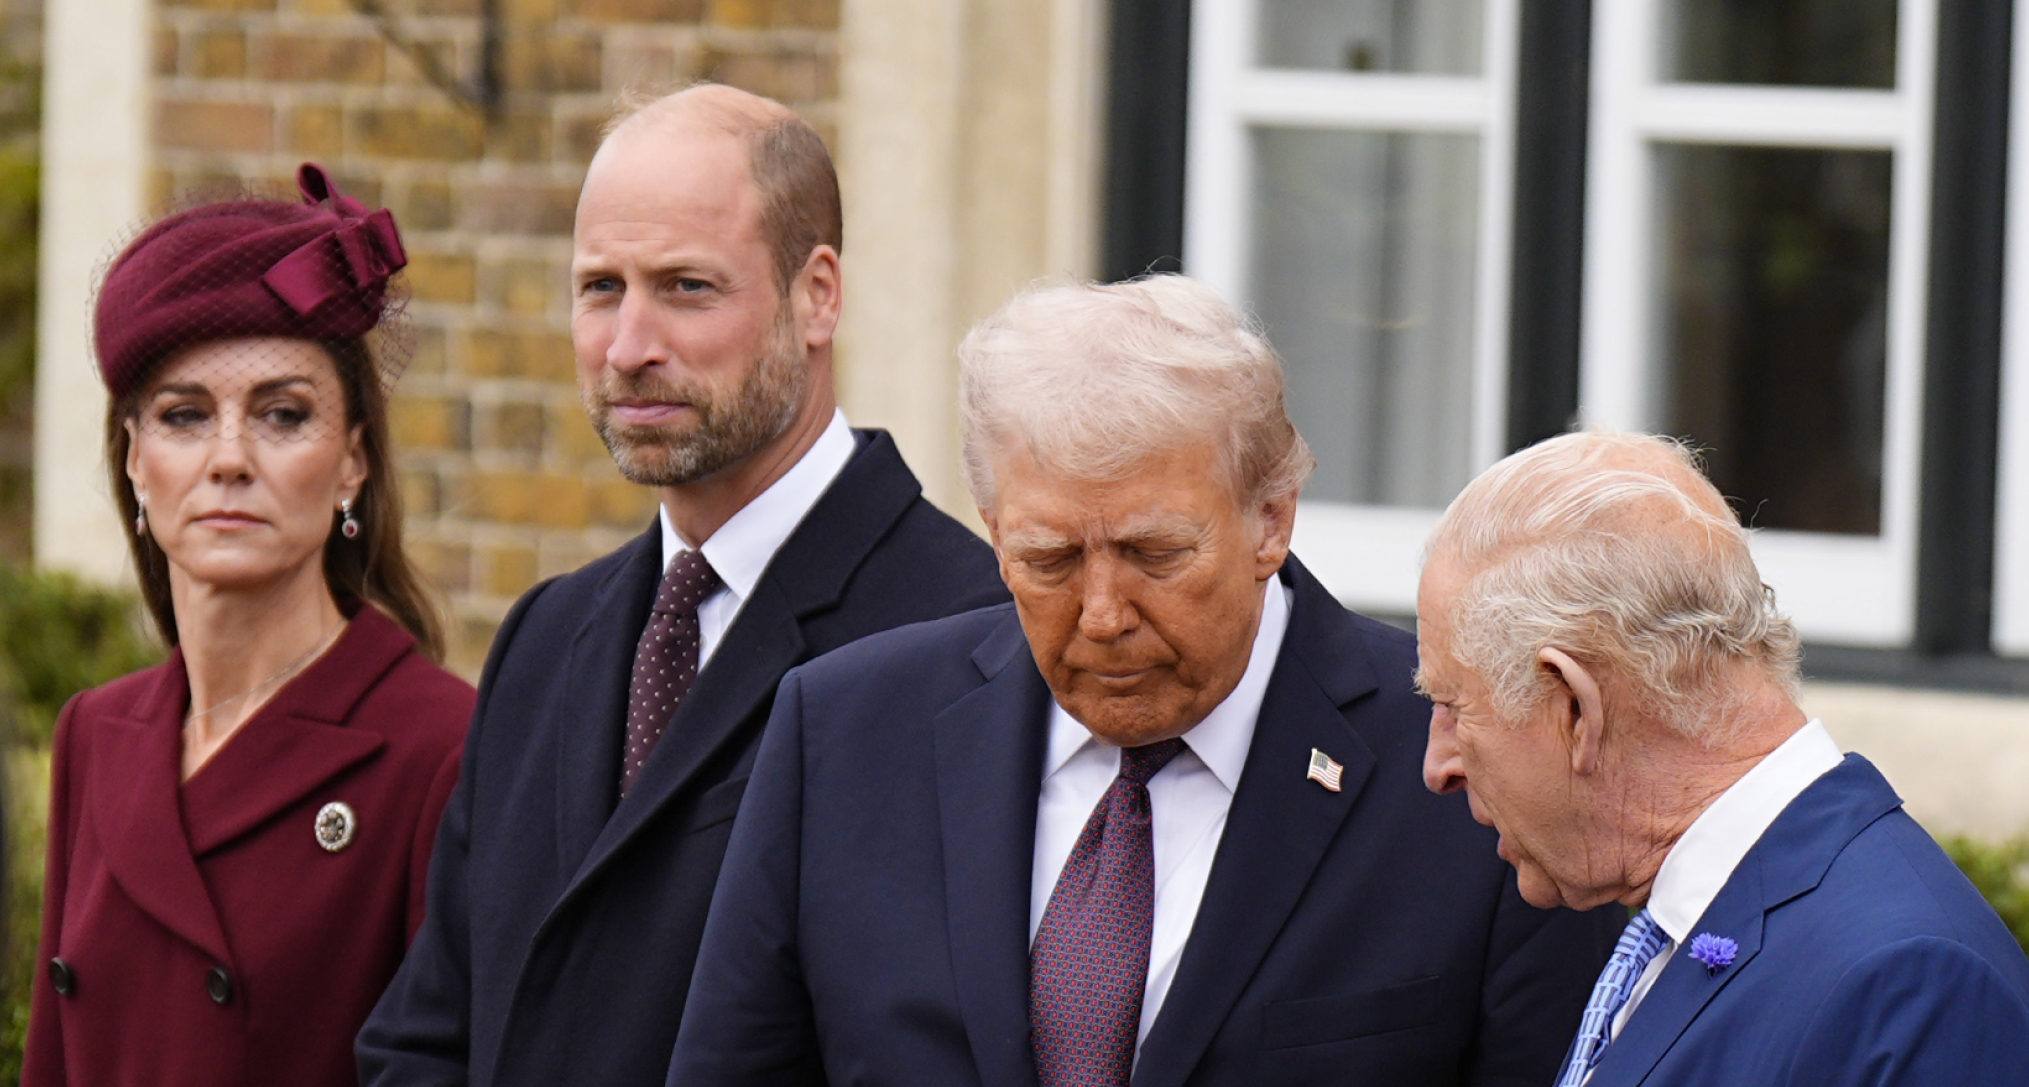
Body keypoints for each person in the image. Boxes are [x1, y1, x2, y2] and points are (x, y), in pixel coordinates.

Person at [666, 275, 1620, 1087]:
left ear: (1271, 519)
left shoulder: (1470, 772)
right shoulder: (842, 735)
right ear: (993, 532)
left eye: (1153, 554)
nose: (1102, 614)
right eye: (1047, 559)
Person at [356, 83, 1008, 1087]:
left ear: (817, 295)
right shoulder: (545, 636)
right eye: (600, 288)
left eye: (686, 287)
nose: (628, 347)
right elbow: (426, 1035)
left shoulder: (968, 637)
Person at [23, 165, 474, 1087]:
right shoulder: (94, 733)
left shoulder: (442, 747)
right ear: (135, 461)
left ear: (352, 462)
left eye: (282, 414)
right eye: (185, 416)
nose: (229, 457)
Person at [1416, 429, 2029, 1087]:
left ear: (1574, 709)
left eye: (1454, 706)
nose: (1437, 765)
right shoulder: (1714, 919)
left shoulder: (1907, 986)